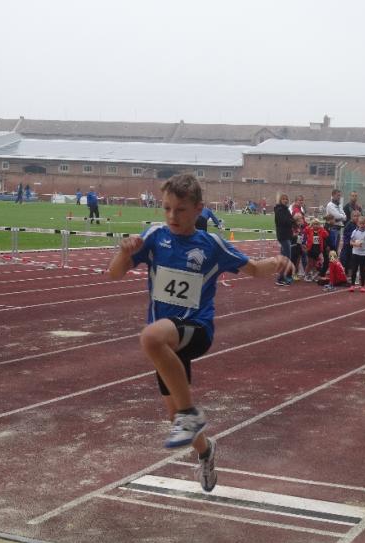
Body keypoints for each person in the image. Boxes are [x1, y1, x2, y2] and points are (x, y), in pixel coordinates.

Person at [107, 174, 293, 492]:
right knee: (174, 415)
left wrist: (276, 261)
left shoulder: (211, 245)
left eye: (180, 210)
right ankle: (206, 452)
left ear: (198, 209)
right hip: (168, 345)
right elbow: (114, 274)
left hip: (196, 329)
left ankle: (189, 414)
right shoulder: (154, 237)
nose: (172, 216)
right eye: (166, 208)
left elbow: (252, 268)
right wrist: (125, 252)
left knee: (150, 337)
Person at [347, 214, 365, 292]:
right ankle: (352, 285)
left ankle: (362, 286)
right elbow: (351, 242)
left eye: (363, 223)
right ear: (358, 223)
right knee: (354, 269)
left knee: (362, 270)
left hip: (364, 254)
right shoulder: (355, 232)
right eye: (360, 223)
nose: (361, 225)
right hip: (355, 253)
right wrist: (356, 244)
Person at [274, 193, 295, 285]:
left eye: (286, 199)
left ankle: (282, 277)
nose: (285, 200)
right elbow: (285, 221)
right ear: (280, 200)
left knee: (284, 257)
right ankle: (280, 278)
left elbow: (291, 220)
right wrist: (292, 221)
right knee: (287, 257)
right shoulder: (279, 210)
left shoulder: (286, 209)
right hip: (283, 236)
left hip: (287, 235)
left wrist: (292, 221)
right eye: (283, 199)